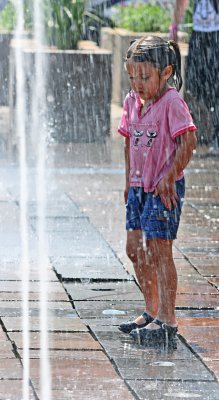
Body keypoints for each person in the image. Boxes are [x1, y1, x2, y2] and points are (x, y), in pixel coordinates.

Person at [117, 35, 197, 346]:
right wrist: (128, 180)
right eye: (132, 76)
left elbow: (188, 141)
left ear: (165, 73)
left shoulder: (172, 102)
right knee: (135, 249)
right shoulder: (131, 101)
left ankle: (168, 319)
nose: (137, 83)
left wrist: (170, 175)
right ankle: (151, 310)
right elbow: (127, 141)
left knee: (161, 252)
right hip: (139, 187)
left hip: (164, 187)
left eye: (145, 77)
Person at [170, 0, 219, 154]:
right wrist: (174, 26)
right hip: (199, 34)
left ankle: (216, 137)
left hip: (216, 33)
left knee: (216, 86)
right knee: (194, 83)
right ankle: (204, 132)